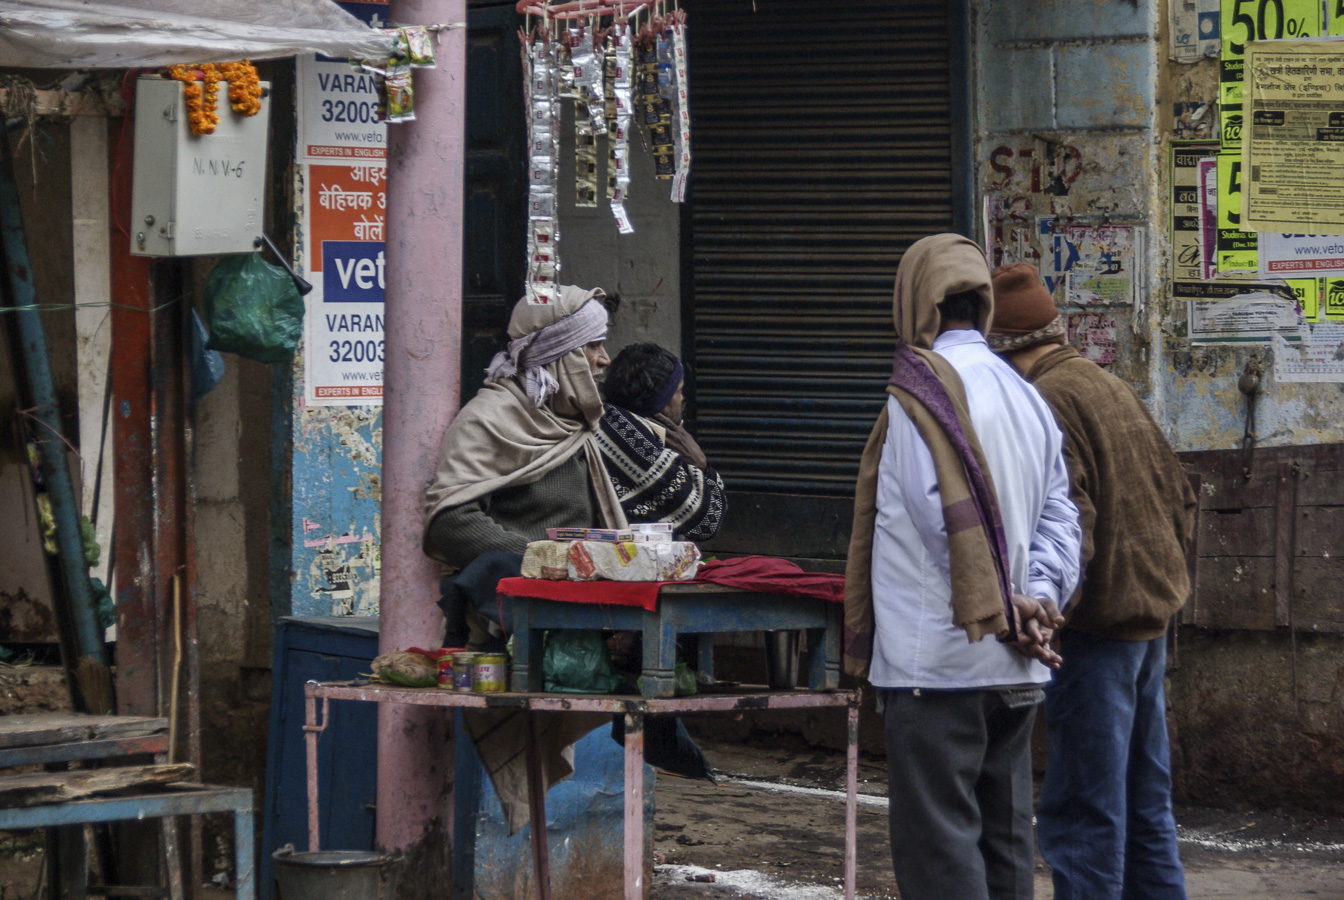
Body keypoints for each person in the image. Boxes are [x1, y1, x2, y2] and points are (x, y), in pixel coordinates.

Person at [845, 234, 1082, 900]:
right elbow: (1062, 519)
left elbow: (939, 519)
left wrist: (1005, 606)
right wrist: (1034, 598)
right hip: (1017, 662)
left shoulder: (915, 397)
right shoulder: (1026, 393)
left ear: (911, 300)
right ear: (980, 303)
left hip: (938, 666)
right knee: (1004, 844)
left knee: (941, 851)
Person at [988, 261, 1196, 900]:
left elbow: (1070, 518)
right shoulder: (1106, 384)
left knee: (1085, 812)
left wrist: (1048, 612)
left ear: (1005, 353)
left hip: (1100, 627)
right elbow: (1181, 496)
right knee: (1143, 803)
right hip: (1147, 619)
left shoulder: (1044, 398)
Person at [423, 285, 626, 646]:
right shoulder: (488, 419)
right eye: (593, 346)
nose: (604, 359)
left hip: (576, 614)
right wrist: (542, 562)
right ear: (561, 354)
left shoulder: (575, 423)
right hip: (505, 627)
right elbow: (450, 522)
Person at [597, 342, 726, 540]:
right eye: (678, 391)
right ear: (660, 403)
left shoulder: (607, 419)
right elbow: (707, 521)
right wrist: (701, 464)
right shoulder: (639, 446)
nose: (682, 399)